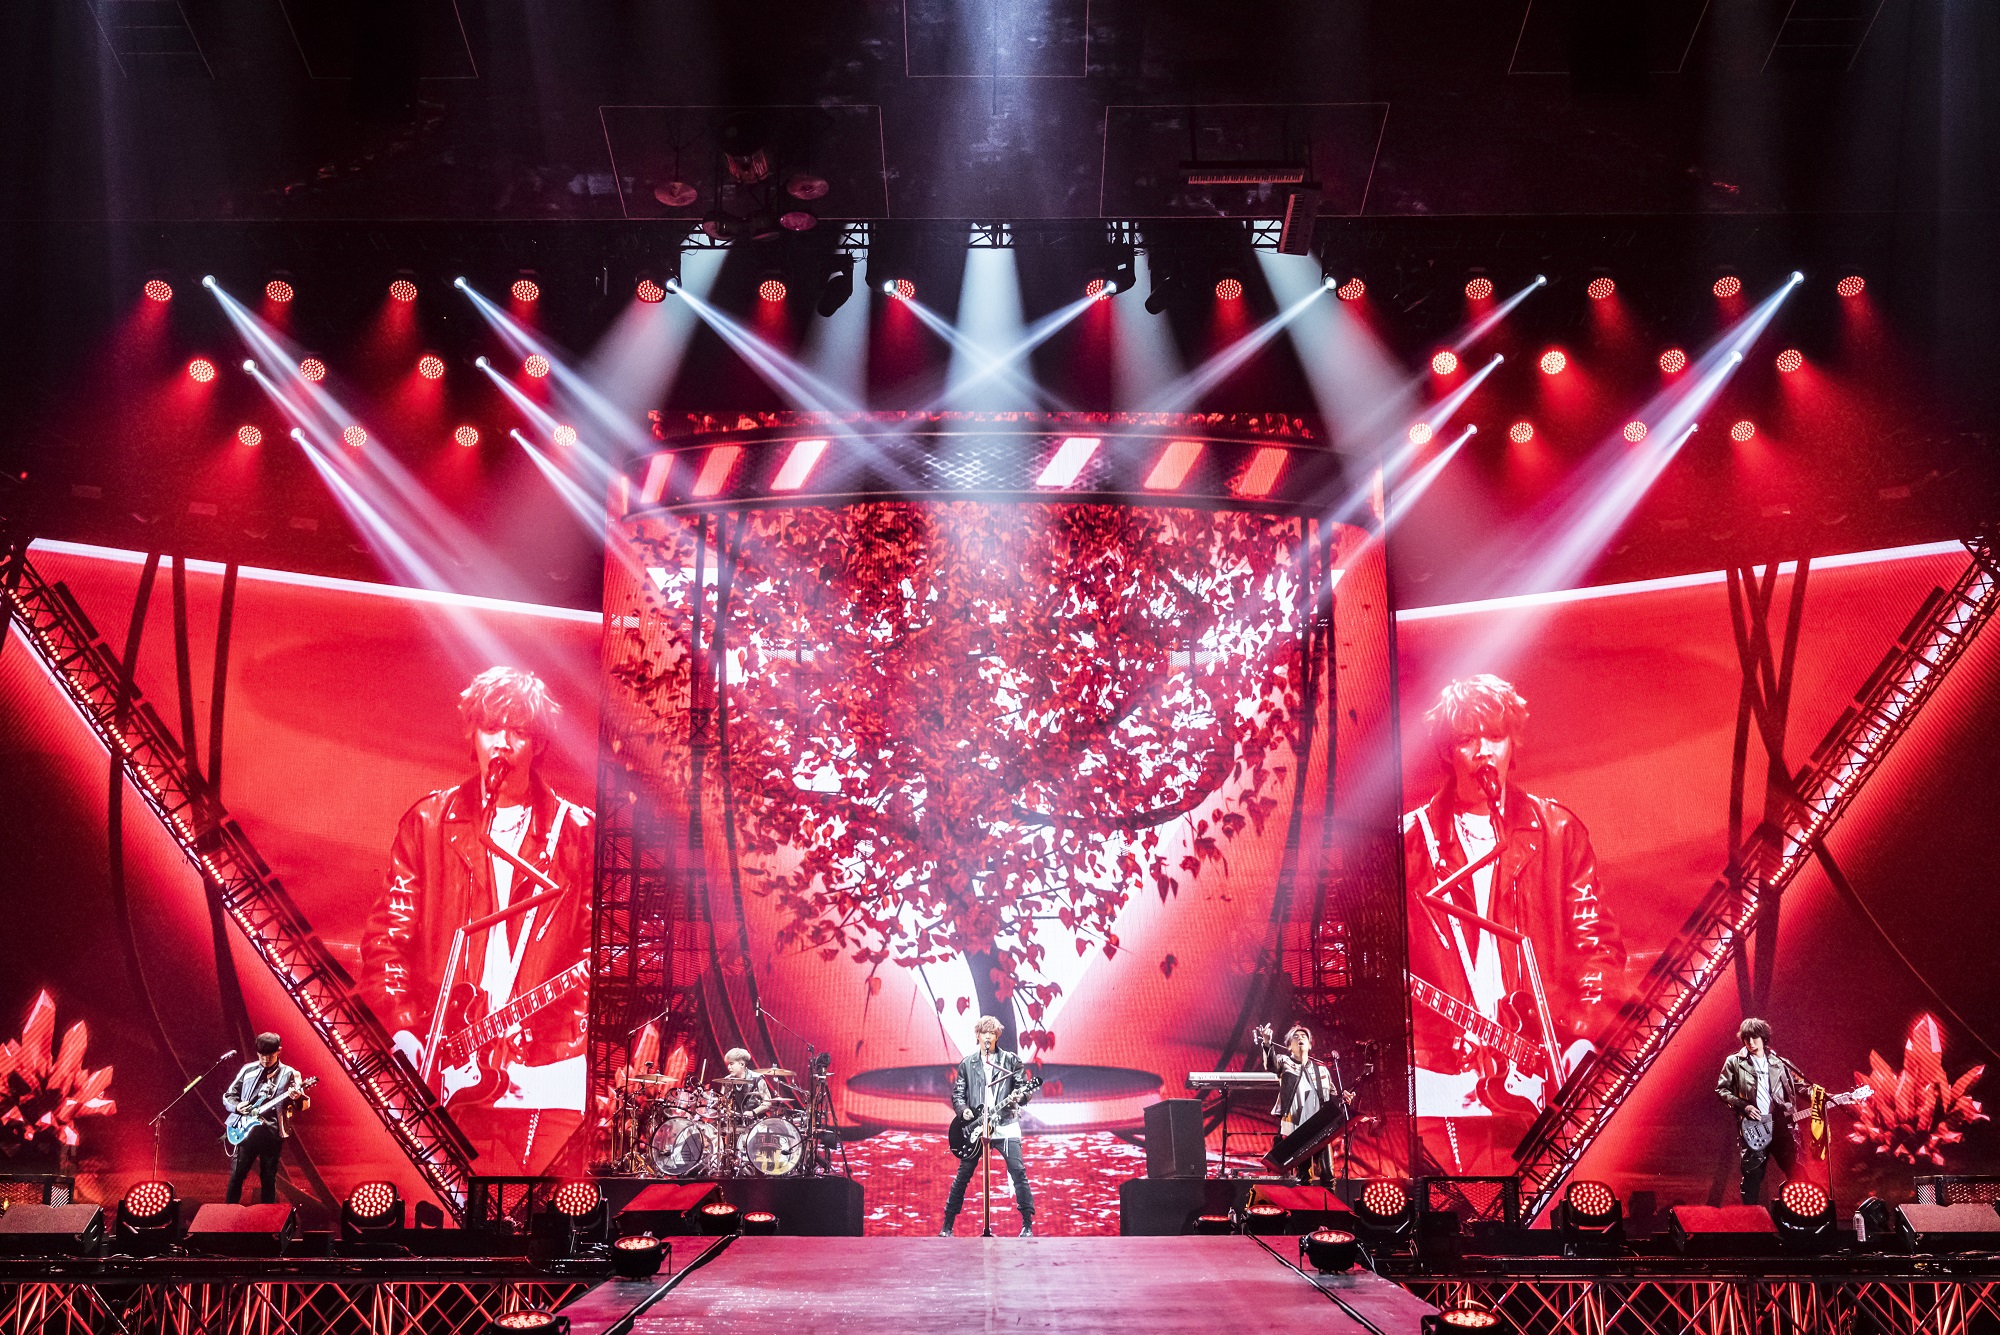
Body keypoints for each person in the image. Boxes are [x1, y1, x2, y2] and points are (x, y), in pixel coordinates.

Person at [360, 667, 594, 1175]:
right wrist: (405, 1031)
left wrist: (563, 1036)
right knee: (449, 1205)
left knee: (545, 1207)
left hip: (545, 1068)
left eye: (519, 731)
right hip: (447, 1065)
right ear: (472, 735)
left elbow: (596, 952)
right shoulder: (428, 823)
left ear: (539, 743)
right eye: (491, 728)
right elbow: (386, 942)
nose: (502, 743)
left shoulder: (577, 834)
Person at [1403, 675, 1625, 1175]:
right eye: (1467, 738)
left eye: (1495, 736)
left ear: (1513, 742)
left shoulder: (1558, 832)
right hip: (1443, 1078)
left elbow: (1598, 948)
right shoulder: (1410, 844)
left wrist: (1583, 1037)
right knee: (1455, 1209)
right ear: (1446, 750)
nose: (1483, 751)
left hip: (1537, 1073)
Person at [941, 1016, 1041, 1237]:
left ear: (997, 1036)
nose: (988, 1037)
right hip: (976, 1128)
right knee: (963, 1174)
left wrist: (1021, 1096)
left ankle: (1027, 1225)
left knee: (1018, 1172)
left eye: (992, 1033)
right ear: (977, 1036)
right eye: (984, 1033)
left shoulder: (1011, 1061)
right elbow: (958, 1094)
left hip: (1006, 1124)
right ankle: (947, 1226)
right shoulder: (967, 1064)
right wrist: (963, 1110)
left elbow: (1024, 1090)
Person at [1716, 1017, 1812, 1204]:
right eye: (1746, 1038)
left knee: (1797, 1172)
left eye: (1755, 1037)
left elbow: (1802, 1087)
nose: (1750, 1042)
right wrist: (1744, 1106)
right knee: (1752, 1177)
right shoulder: (1734, 1062)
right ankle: (1751, 1218)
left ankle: (1803, 1214)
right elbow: (1722, 1090)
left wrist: (1826, 1097)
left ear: (1764, 1038)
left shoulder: (1781, 1063)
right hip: (1754, 1126)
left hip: (1781, 1126)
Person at [223, 1033, 310, 1205]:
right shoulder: (248, 1070)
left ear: (279, 1051)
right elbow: (229, 1095)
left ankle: (268, 1217)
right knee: (236, 1176)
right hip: (245, 1132)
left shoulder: (290, 1073)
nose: (265, 1059)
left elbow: (304, 1105)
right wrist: (238, 1106)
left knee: (269, 1179)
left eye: (270, 1055)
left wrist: (297, 1097)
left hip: (272, 1133)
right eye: (262, 1055)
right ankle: (228, 1214)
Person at [1254, 1022, 1344, 1183]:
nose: (1300, 1038)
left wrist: (1344, 1099)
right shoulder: (1284, 1062)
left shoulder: (1322, 1070)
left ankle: (1329, 1199)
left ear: (1310, 1045)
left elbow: (1332, 1097)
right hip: (1297, 1128)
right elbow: (1271, 1064)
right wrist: (1267, 1042)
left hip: (1319, 1127)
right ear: (1289, 1046)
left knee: (1328, 1174)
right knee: (1304, 1176)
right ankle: (1303, 1198)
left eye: (1304, 1036)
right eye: (1295, 1037)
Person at [721, 1048, 777, 1117]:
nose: (729, 1067)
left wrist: (753, 1112)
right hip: (735, 1120)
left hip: (755, 1120)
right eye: (728, 1064)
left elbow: (767, 1103)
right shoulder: (727, 1080)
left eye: (731, 1064)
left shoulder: (757, 1078)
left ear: (742, 1064)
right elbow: (721, 1101)